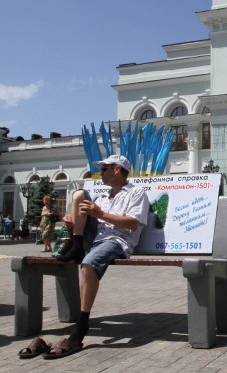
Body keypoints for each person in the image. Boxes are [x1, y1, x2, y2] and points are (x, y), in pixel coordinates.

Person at [42, 154, 150, 359]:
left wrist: (99, 214)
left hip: (117, 240)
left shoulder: (136, 192)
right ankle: (76, 245)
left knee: (88, 264)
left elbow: (133, 223)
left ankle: (81, 325)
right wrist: (73, 223)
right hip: (95, 238)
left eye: (104, 169)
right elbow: (94, 218)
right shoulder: (103, 196)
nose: (101, 173)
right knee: (79, 195)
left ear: (117, 169)